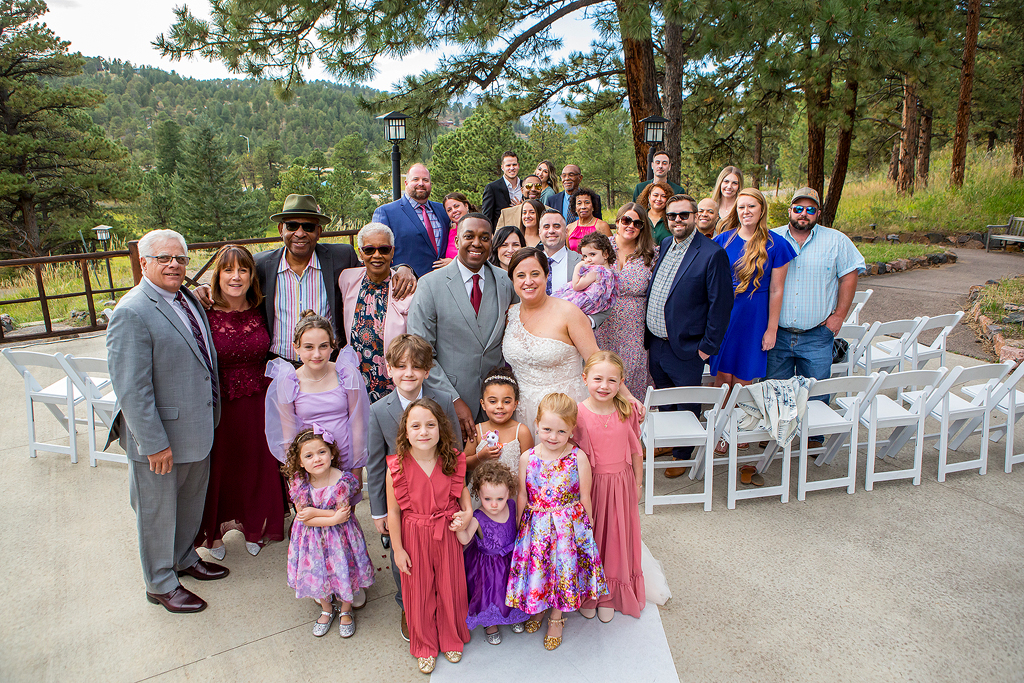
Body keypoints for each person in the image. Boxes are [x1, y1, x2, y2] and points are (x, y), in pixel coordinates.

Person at [106, 229, 225, 614]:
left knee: (189, 502)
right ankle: (159, 582)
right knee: (157, 512)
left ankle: (183, 558)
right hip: (160, 437)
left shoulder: (186, 298)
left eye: (180, 258)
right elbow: (131, 388)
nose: (174, 264)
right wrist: (153, 442)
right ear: (144, 263)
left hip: (196, 428)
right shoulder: (132, 311)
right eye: (163, 258)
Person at [197, 194, 415, 364]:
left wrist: (403, 268)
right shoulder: (261, 264)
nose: (300, 233)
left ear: (319, 232)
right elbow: (235, 279)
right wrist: (206, 288)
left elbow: (374, 264)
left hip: (328, 365)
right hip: (278, 365)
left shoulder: (341, 257)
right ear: (281, 229)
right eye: (292, 225)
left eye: (308, 227)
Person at [366, 333, 462, 641]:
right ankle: (408, 606)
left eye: (416, 366)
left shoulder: (443, 401)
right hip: (404, 501)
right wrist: (379, 509)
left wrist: (458, 501)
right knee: (404, 556)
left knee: (443, 558)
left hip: (439, 497)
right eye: (401, 366)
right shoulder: (380, 410)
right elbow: (377, 462)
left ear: (427, 370)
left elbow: (455, 450)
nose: (409, 373)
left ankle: (444, 606)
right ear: (389, 369)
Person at [195, 245, 284, 561]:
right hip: (220, 403)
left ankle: (253, 525)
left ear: (252, 276)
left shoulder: (262, 309)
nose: (236, 277)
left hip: (259, 399)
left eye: (243, 270)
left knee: (256, 465)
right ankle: (214, 532)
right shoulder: (202, 311)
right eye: (228, 270)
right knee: (221, 467)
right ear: (217, 275)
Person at [506, 393, 606, 651]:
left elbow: (585, 495)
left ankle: (557, 617)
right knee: (540, 568)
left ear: (571, 429)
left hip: (567, 528)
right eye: (547, 429)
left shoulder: (577, 457)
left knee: (562, 571)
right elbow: (522, 493)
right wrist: (519, 521)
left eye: (561, 431)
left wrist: (588, 526)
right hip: (536, 525)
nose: (553, 436)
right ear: (537, 424)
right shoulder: (528, 457)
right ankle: (539, 607)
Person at [645, 194, 734, 478]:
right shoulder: (667, 244)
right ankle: (669, 443)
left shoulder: (712, 253)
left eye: (684, 215)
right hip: (657, 344)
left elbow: (721, 306)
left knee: (686, 402)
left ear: (695, 216)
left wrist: (706, 348)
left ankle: (683, 452)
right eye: (672, 216)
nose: (677, 221)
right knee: (666, 398)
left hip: (687, 347)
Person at [504, 247, 636, 437]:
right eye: (521, 275)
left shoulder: (569, 312)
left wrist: (627, 396)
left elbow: (595, 358)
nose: (528, 281)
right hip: (522, 414)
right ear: (512, 280)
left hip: (565, 412)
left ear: (547, 275)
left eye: (535, 274)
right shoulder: (510, 314)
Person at [407, 213, 515, 442]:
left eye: (484, 237)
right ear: (456, 241)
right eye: (469, 236)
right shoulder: (430, 285)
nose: (477, 243)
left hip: (496, 406)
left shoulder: (506, 281)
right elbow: (421, 353)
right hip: (446, 403)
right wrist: (453, 399)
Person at [386, 398, 473, 674]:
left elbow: (467, 505)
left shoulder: (454, 460)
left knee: (450, 587)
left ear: (441, 429)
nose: (423, 432)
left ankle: (451, 638)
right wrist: (398, 550)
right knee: (419, 591)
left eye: (430, 425)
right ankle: (424, 644)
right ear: (406, 432)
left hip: (446, 533)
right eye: (416, 426)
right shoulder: (396, 468)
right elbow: (393, 514)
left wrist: (466, 517)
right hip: (414, 535)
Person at [265, 312, 371, 514]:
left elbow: (358, 423)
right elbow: (288, 435)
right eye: (308, 347)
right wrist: (295, 477)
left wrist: (356, 469)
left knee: (344, 520)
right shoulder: (289, 381)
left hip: (345, 460)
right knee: (315, 523)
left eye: (323, 346)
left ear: (332, 345)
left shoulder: (346, 374)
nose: (317, 354)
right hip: (310, 464)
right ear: (296, 347)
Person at [766, 187, 866, 394]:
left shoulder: (836, 240)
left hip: (817, 336)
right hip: (777, 336)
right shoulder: (770, 238)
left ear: (818, 214)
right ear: (790, 211)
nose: (803, 213)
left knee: (816, 397)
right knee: (775, 398)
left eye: (810, 210)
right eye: (799, 208)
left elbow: (849, 275)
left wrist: (839, 315)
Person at [573, 351, 645, 621]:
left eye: (612, 381)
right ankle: (591, 592)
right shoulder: (578, 414)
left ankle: (612, 594)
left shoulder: (626, 411)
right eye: (598, 379)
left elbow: (636, 451)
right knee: (594, 538)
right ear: (585, 378)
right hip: (592, 487)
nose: (604, 386)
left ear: (621, 382)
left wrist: (638, 483)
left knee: (616, 537)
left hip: (621, 483)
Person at [283, 426, 374, 638]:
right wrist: (330, 517)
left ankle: (345, 610)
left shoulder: (342, 481)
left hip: (340, 539)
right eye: (309, 455)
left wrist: (319, 514)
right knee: (317, 572)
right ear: (300, 462)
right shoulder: (299, 482)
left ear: (332, 453)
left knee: (344, 570)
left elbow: (343, 515)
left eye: (322, 452)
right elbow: (303, 516)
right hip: (311, 541)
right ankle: (326, 608)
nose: (317, 459)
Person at [456, 461, 530, 644]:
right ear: (478, 494)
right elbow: (465, 539)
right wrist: (458, 527)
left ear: (508, 494)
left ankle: (514, 615)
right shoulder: (478, 516)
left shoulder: (512, 506)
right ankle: (490, 623)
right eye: (487, 499)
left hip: (511, 561)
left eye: (500, 499)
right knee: (490, 593)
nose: (494, 505)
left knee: (510, 589)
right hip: (488, 566)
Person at [338, 223, 411, 402]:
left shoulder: (406, 288)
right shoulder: (347, 279)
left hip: (394, 382)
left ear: (392, 252)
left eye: (384, 249)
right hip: (356, 381)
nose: (377, 255)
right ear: (360, 253)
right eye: (369, 250)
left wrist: (406, 268)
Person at [597, 203, 658, 398]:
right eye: (626, 220)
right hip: (603, 323)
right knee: (602, 374)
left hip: (634, 327)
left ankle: (632, 423)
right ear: (617, 222)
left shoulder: (651, 254)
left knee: (631, 373)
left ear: (643, 228)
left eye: (637, 223)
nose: (631, 226)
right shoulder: (601, 247)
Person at [372, 164, 452, 276]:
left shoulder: (443, 210)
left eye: (425, 180)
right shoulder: (386, 212)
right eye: (416, 179)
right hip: (407, 285)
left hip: (443, 281)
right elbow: (378, 253)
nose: (421, 183)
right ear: (406, 183)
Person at [463, 367, 534, 475]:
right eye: (493, 401)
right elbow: (464, 464)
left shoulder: (521, 432)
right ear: (483, 404)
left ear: (515, 404)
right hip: (481, 490)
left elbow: (530, 467)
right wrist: (480, 457)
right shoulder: (477, 430)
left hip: (512, 490)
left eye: (506, 401)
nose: (500, 406)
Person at [552, 231, 618, 317]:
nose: (588, 260)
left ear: (605, 254)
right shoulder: (611, 273)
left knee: (556, 305)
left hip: (581, 302)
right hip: (595, 307)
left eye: (592, 254)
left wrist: (578, 266)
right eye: (585, 256)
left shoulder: (598, 271)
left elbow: (576, 285)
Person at [481, 150, 522, 228]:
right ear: (502, 167)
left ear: (518, 166)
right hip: (500, 234)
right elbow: (487, 216)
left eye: (514, 164)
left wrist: (521, 207)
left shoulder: (525, 185)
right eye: (508, 165)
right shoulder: (492, 188)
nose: (512, 168)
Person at [441, 192, 476, 265]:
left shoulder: (480, 227)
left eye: (456, 206)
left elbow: (485, 257)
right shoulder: (450, 231)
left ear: (466, 206)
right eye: (449, 210)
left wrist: (454, 263)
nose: (454, 211)